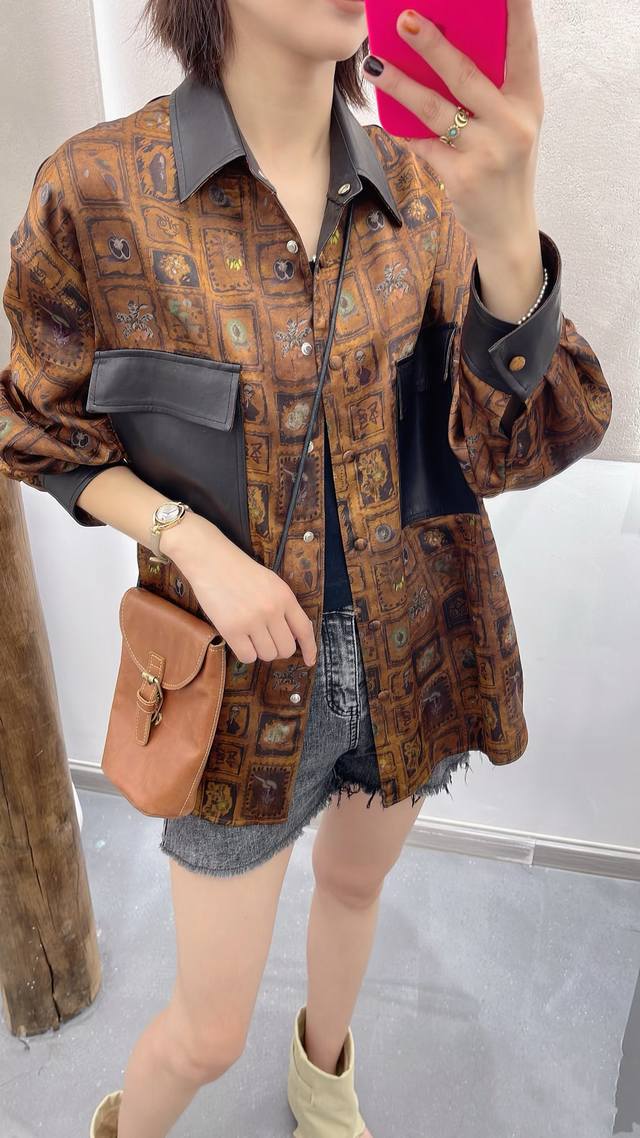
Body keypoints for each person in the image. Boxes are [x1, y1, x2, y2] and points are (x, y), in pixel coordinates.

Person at [0, 1, 611, 1135]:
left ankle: (324, 1076)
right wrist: (191, 544)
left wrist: (509, 230)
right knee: (207, 1030)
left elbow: (518, 449)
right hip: (232, 692)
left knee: (355, 885)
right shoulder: (97, 191)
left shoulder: (424, 188)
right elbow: (40, 429)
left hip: (412, 645)